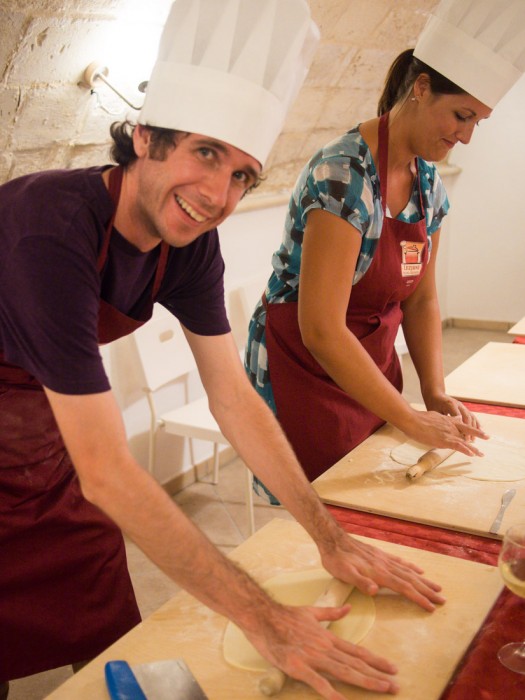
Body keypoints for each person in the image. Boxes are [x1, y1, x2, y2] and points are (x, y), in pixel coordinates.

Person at [0, 2, 446, 699]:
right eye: (206, 153)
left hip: (39, 443)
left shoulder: (188, 242)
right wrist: (263, 617)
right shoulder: (46, 231)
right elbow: (108, 471)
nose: (218, 195)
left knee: (106, 617)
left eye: (242, 175)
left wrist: (324, 534)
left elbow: (232, 394)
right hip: (47, 440)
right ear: (145, 138)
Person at [245, 0, 525, 501]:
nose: (465, 135)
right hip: (306, 367)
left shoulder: (428, 186)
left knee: (375, 492)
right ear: (421, 88)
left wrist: (434, 392)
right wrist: (408, 416)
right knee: (327, 510)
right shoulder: (345, 174)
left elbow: (421, 300)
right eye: (461, 115)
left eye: (477, 122)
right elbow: (322, 329)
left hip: (367, 364)